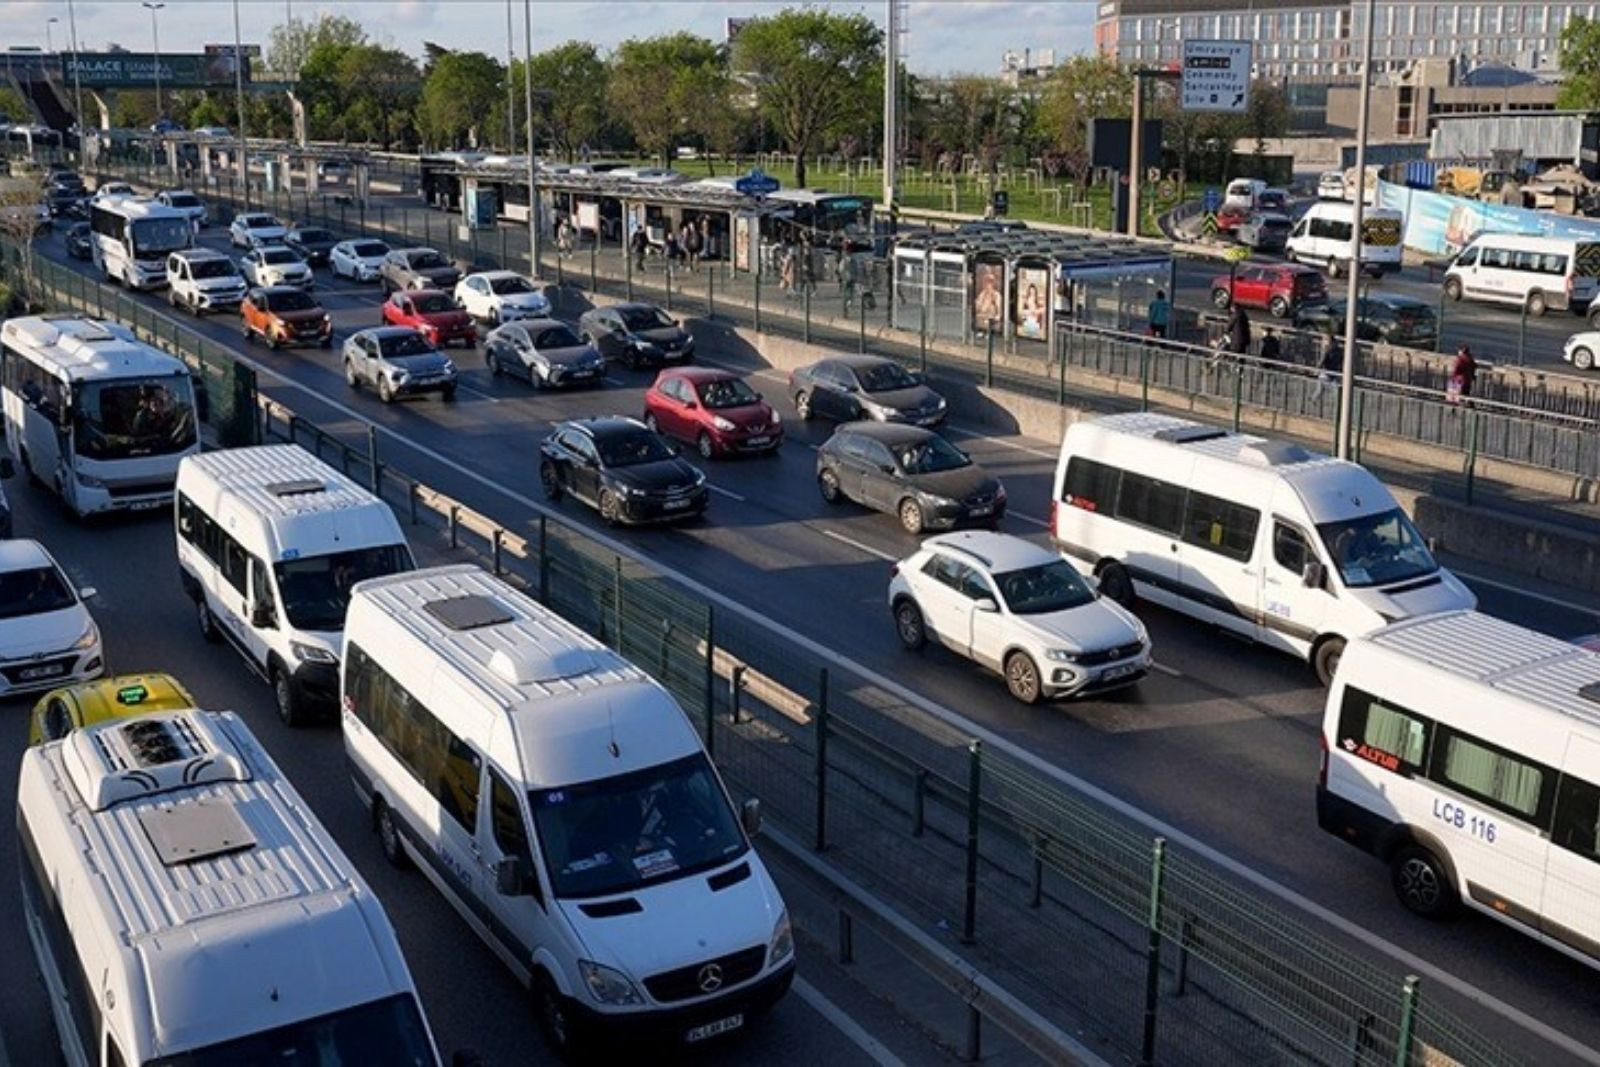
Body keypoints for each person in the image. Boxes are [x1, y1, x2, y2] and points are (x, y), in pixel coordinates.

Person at [1314, 333, 1343, 398]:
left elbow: (1322, 361)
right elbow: (1322, 361)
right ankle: (1313, 400)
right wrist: (1317, 369)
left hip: (1332, 374)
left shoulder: (1335, 350)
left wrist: (1317, 369)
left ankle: (1313, 400)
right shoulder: (1328, 350)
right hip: (1326, 374)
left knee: (1335, 390)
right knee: (1320, 390)